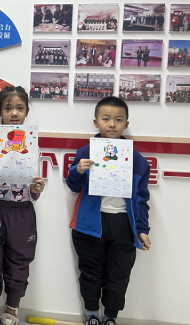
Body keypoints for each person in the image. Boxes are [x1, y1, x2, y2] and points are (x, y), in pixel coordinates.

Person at [66, 97, 151, 325]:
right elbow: (73, 186)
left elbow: (142, 198)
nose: (112, 124)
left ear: (126, 124)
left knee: (119, 275)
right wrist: (78, 170)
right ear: (96, 122)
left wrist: (142, 229)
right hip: (89, 225)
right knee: (90, 272)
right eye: (106, 119)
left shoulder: (137, 160)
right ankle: (92, 315)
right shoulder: (85, 152)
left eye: (118, 120)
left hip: (124, 226)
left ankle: (111, 317)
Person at [0, 87, 45, 325]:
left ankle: (12, 310)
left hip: (22, 211)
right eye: (8, 108)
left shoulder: (32, 144)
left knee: (19, 262)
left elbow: (34, 187)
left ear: (26, 112)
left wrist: (36, 189)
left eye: (19, 108)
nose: (14, 113)